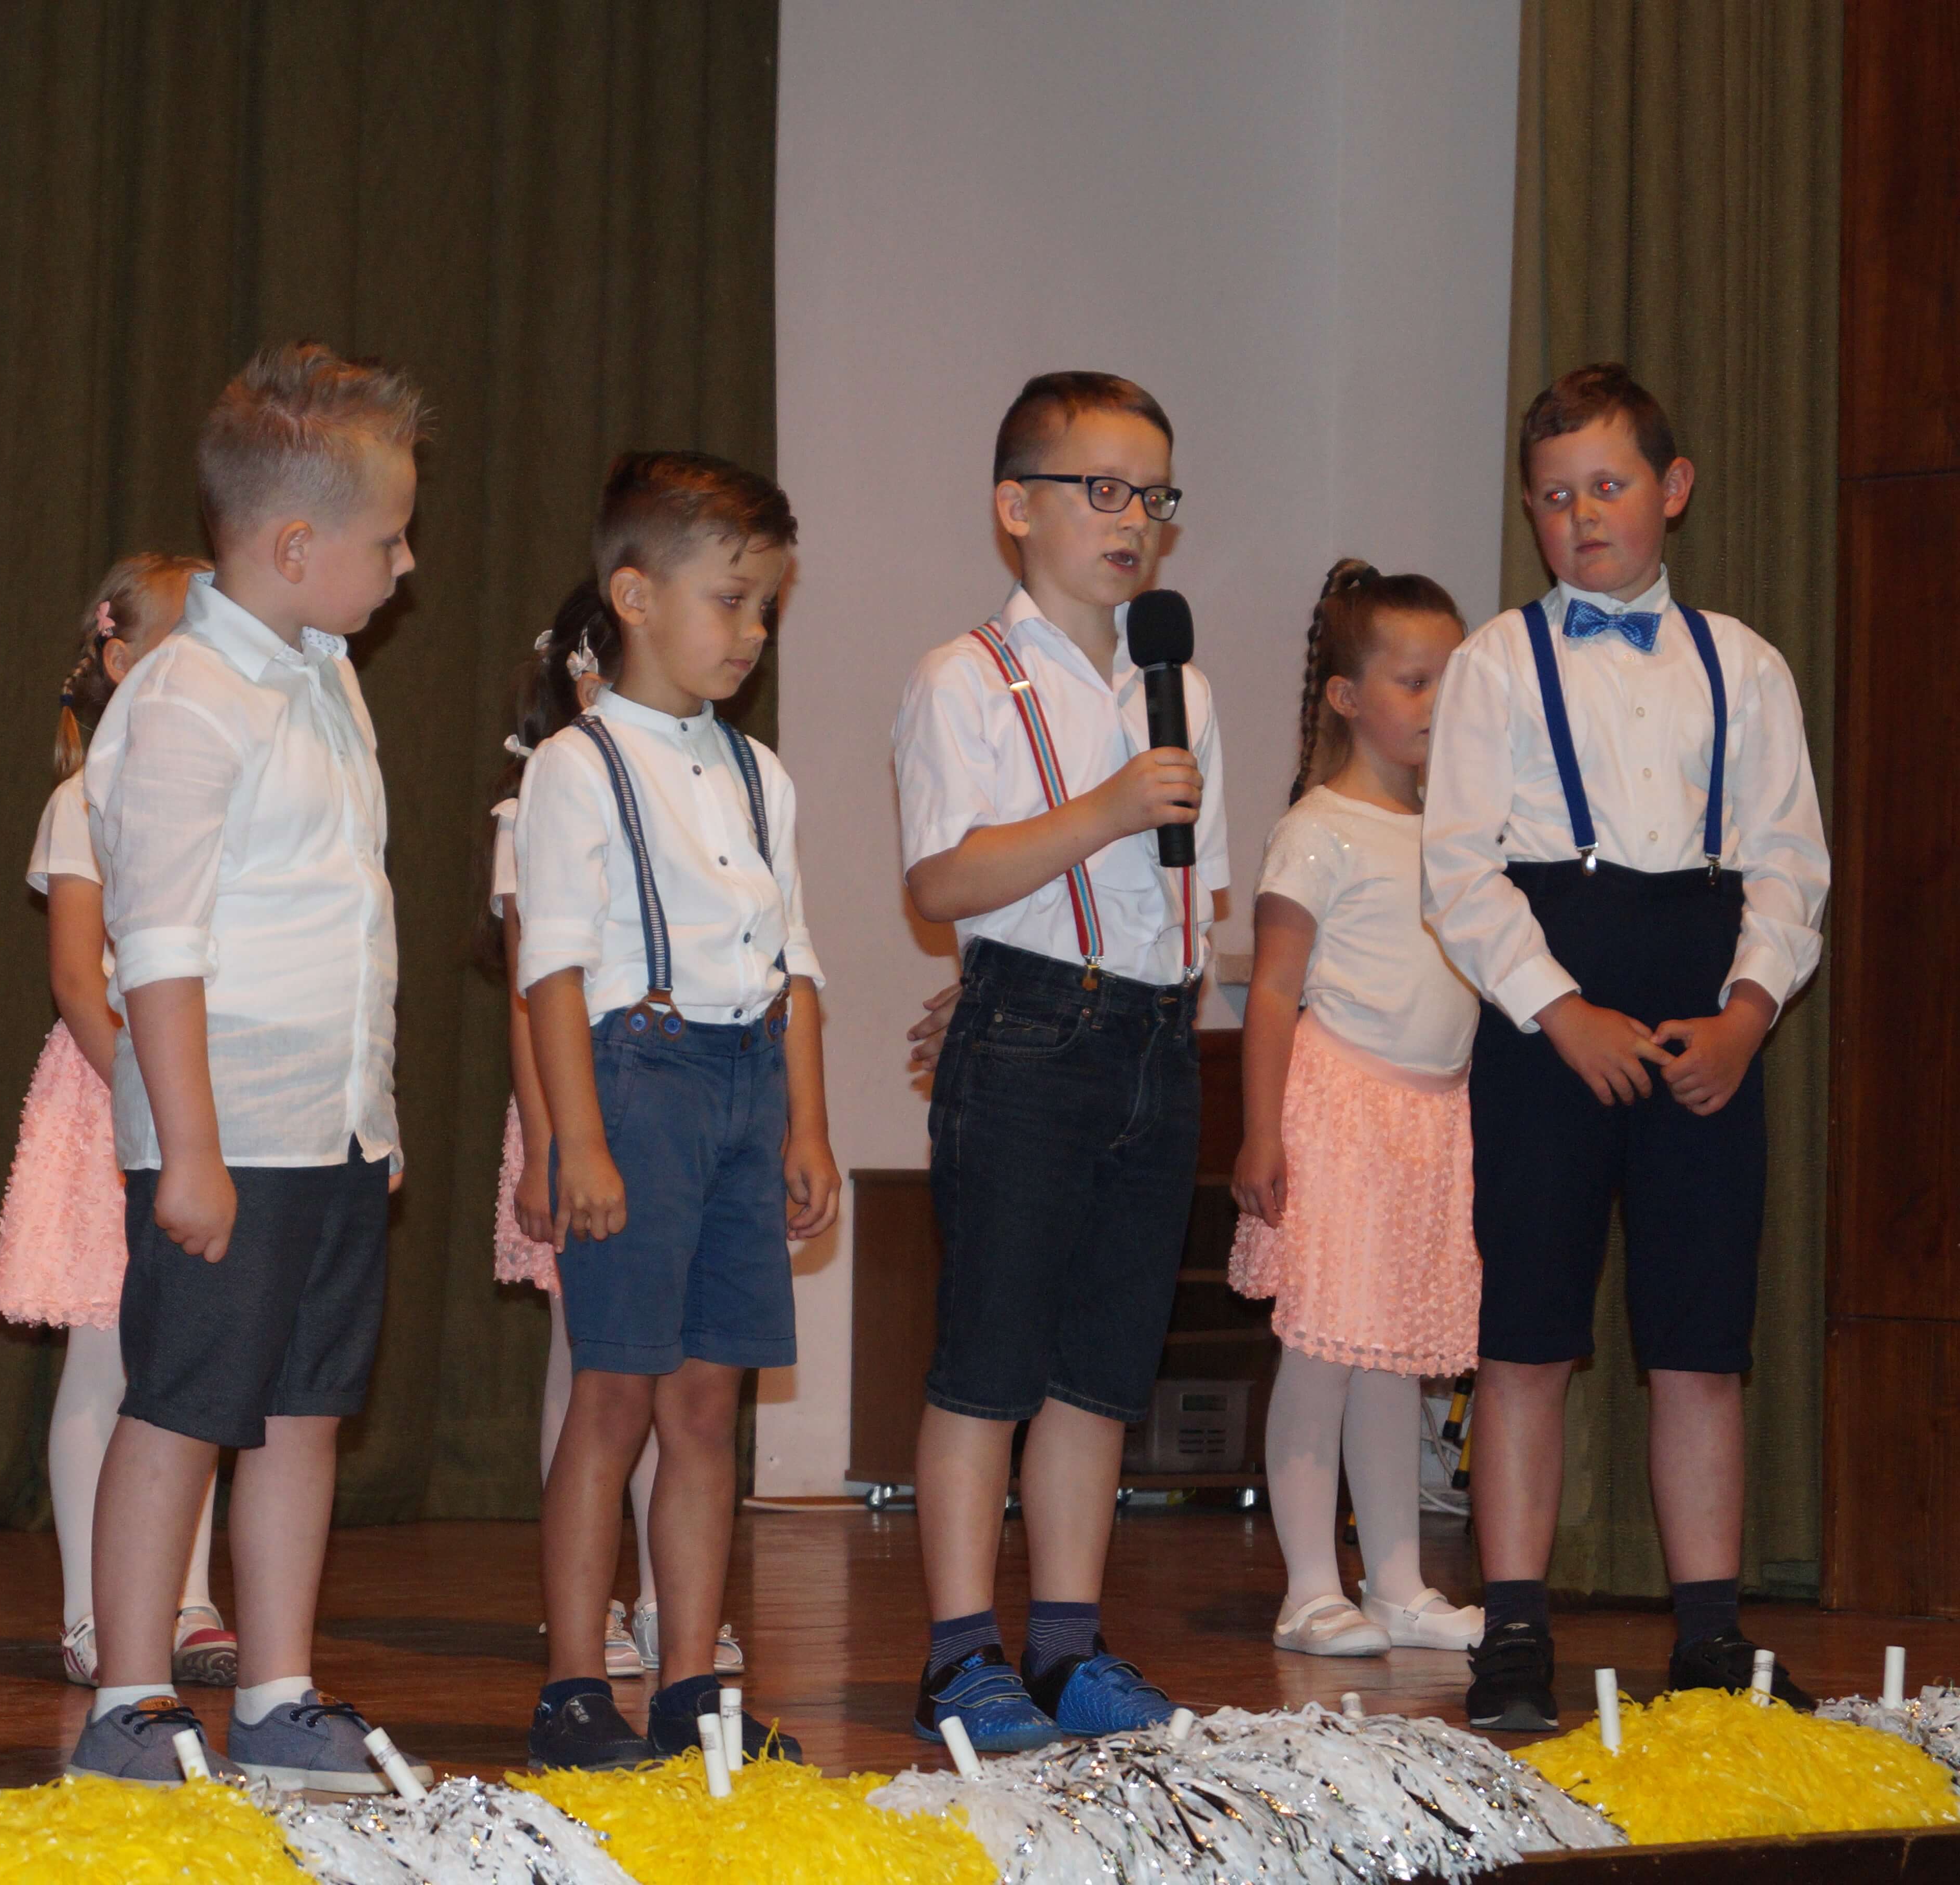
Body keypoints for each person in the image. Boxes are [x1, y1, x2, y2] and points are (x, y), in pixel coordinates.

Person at [1421, 363, 1829, 1731]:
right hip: (1550, 1017)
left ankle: (1710, 1636)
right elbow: (1459, 872)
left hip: (1705, 1011)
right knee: (1526, 1335)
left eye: (1607, 486)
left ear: (1674, 489)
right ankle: (1514, 1631)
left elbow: (1789, 866)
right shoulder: (1494, 663)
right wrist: (1558, 1007)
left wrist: (1749, 1013)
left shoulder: (1746, 664)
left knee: (1700, 1342)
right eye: (1554, 498)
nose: (1582, 516)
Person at [66, 341, 432, 1793]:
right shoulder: (186, 698)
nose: (404, 564)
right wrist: (192, 1150)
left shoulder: (327, 678)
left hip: (326, 1125)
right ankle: (130, 1699)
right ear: (295, 546)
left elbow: (349, 912)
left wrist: (369, 1114)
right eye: (387, 539)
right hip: (228, 1128)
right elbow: (158, 946)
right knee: (183, 1405)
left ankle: (278, 1695)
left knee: (302, 1408)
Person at [891, 371, 1227, 1750]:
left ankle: (1068, 1650)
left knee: (1101, 1371)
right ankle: (960, 1656)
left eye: (1154, 496)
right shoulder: (965, 677)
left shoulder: (1179, 687)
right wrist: (1103, 812)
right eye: (1102, 490)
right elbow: (941, 879)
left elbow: (1195, 891)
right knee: (990, 1360)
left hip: (1155, 1038)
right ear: (1015, 508)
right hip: (1032, 1037)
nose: (1134, 519)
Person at [518, 451, 832, 1770]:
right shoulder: (577, 766)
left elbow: (794, 962)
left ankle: (693, 1685)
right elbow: (550, 967)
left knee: (708, 1409)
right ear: (635, 596)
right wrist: (575, 1139)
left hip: (747, 1083)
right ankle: (575, 1688)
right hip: (638, 1082)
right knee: (614, 1398)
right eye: (729, 601)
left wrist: (807, 1125)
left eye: (766, 607)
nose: (751, 632)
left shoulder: (761, 773)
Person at [487, 585, 744, 1683]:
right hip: (582, 1109)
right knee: (595, 1363)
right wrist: (552, 1140)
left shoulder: (719, 786)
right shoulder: (540, 800)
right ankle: (584, 1612)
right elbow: (530, 992)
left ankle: (665, 1603)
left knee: (680, 1373)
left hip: (684, 1110)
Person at [1229, 559, 1481, 1660]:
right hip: (1339, 1112)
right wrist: (1261, 1130)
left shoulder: (1458, 832)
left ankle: (1398, 1585)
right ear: (1346, 696)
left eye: (1452, 682)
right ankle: (1307, 1590)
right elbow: (1272, 990)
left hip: (1430, 1120)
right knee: (1324, 1353)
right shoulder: (1318, 828)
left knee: (1393, 1357)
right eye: (1414, 682)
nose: (1437, 704)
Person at [0, 553, 231, 1690]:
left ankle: (187, 1596)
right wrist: (153, 1095)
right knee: (104, 1355)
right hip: (116, 1094)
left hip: (211, 1095)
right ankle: (93, 1608)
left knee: (199, 1355)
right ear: (123, 659)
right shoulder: (81, 801)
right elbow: (80, 980)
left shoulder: (225, 789)